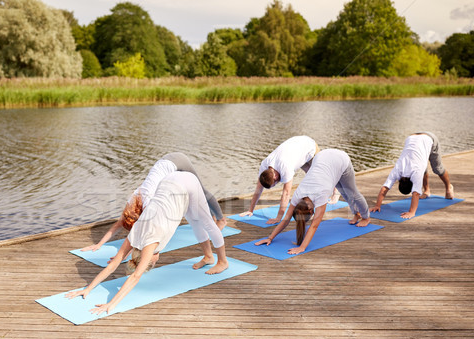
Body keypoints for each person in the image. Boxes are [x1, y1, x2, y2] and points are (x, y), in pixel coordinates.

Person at [66, 171, 229, 316]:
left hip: (185, 183)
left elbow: (136, 275)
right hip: (168, 182)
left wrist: (111, 304)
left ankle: (223, 261)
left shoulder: (151, 243)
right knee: (195, 220)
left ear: (150, 259)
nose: (156, 261)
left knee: (204, 222)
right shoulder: (134, 235)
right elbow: (113, 264)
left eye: (153, 263)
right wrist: (87, 289)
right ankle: (209, 256)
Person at [81, 152, 226, 252]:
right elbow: (118, 224)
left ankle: (221, 219)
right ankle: (213, 217)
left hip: (177, 161)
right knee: (197, 196)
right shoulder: (133, 202)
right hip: (166, 163)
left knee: (201, 188)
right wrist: (99, 244)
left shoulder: (148, 202)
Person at [255, 149, 370, 255]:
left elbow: (314, 226)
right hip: (321, 159)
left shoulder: (320, 196)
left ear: (311, 211)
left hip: (339, 159)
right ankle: (356, 214)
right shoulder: (297, 196)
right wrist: (270, 238)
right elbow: (285, 220)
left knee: (352, 193)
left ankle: (366, 217)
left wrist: (302, 247)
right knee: (344, 192)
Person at [369, 132, 454, 219]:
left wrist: (411, 212)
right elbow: (384, 188)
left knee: (437, 169)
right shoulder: (398, 170)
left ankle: (448, 187)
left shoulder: (415, 173)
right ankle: (427, 191)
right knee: (422, 166)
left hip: (430, 138)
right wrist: (377, 206)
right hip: (412, 136)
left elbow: (416, 193)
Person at [240, 135, 321, 224]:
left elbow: (286, 194)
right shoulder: (264, 166)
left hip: (309, 147)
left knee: (320, 176)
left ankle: (334, 193)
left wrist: (279, 217)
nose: (277, 184)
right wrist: (251, 210)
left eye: (275, 184)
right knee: (311, 176)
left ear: (275, 177)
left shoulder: (285, 167)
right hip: (297, 150)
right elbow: (258, 190)